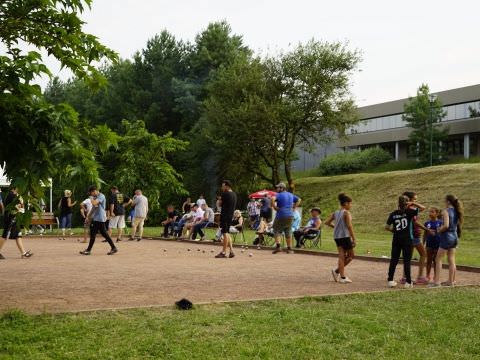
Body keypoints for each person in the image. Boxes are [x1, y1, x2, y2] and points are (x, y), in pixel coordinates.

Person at [385, 195, 427, 288]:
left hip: (396, 239)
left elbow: (387, 227)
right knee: (407, 260)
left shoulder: (393, 214)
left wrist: (394, 230)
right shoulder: (409, 212)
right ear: (407, 203)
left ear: (398, 203)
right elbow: (423, 208)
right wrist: (413, 203)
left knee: (394, 260)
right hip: (407, 239)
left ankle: (390, 280)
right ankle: (408, 282)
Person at [431, 195, 464, 287]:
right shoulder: (457, 211)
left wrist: (439, 230)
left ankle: (436, 282)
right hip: (455, 236)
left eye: (445, 201)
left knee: (438, 259)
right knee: (451, 259)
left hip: (447, 237)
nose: (444, 202)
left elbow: (446, 225)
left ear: (448, 201)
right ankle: (451, 281)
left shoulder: (446, 211)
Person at [325, 194, 356, 284]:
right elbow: (349, 226)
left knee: (341, 256)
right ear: (345, 203)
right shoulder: (346, 213)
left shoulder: (336, 212)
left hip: (337, 237)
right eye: (350, 203)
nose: (351, 205)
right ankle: (338, 272)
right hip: (345, 236)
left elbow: (327, 222)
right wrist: (354, 239)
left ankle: (340, 275)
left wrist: (335, 227)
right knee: (351, 256)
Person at [80, 186, 118, 255]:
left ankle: (88, 250)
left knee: (93, 233)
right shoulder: (95, 198)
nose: (91, 195)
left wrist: (91, 198)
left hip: (99, 218)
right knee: (103, 233)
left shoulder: (101, 196)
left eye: (91, 193)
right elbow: (93, 208)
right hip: (97, 218)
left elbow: (94, 203)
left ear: (94, 191)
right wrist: (88, 217)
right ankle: (113, 248)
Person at [402, 191, 428, 285]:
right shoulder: (410, 209)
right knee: (423, 254)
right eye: (415, 199)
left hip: (410, 235)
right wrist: (426, 229)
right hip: (414, 234)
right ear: (409, 200)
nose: (416, 201)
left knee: (408, 257)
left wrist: (425, 228)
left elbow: (415, 221)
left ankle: (405, 277)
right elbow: (422, 209)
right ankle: (420, 277)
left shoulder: (404, 208)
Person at [0, 186, 33, 259]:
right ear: (15, 188)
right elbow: (15, 206)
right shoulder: (11, 195)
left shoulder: (14, 195)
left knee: (18, 235)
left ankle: (23, 253)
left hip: (14, 218)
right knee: (5, 235)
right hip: (10, 218)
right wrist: (21, 209)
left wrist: (21, 209)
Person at [271, 182, 301, 254]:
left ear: (282, 188)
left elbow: (272, 198)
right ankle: (289, 249)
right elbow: (299, 200)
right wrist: (294, 207)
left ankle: (278, 247)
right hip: (290, 215)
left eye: (278, 187)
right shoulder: (290, 194)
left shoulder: (278, 195)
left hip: (281, 214)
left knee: (276, 230)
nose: (277, 189)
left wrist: (274, 207)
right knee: (288, 231)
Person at [215, 180, 237, 258]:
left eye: (223, 186)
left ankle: (223, 252)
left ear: (227, 186)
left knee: (225, 233)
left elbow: (220, 204)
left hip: (225, 216)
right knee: (227, 233)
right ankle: (231, 251)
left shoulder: (225, 194)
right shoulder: (234, 194)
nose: (222, 187)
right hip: (230, 216)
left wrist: (219, 200)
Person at [423, 207, 442, 282]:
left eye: (432, 212)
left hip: (438, 244)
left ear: (437, 214)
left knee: (436, 260)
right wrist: (423, 242)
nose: (430, 213)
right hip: (429, 244)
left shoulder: (440, 223)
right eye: (429, 212)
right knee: (429, 260)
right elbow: (425, 234)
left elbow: (443, 233)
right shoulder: (427, 223)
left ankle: (435, 276)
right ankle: (427, 275)